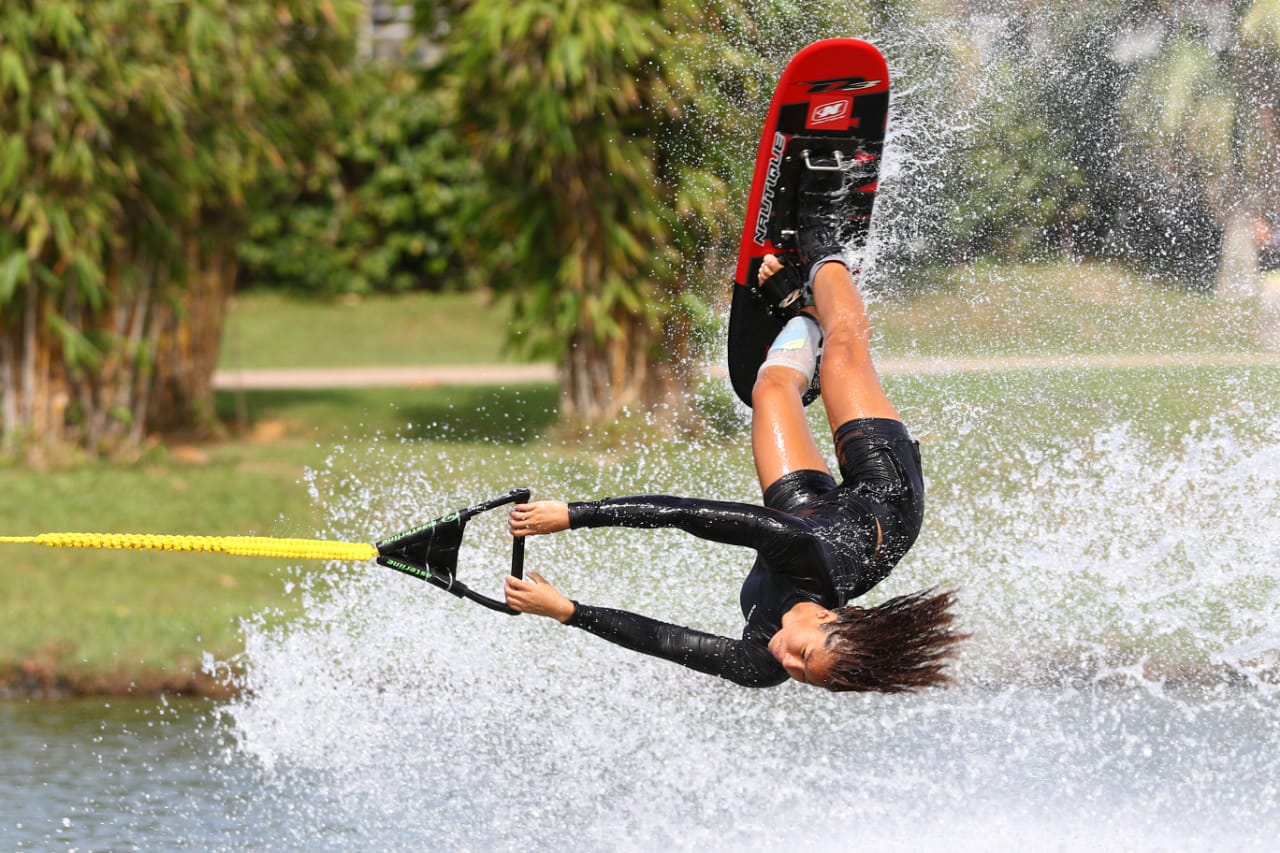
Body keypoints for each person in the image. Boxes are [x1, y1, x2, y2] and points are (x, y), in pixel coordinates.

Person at [503, 168, 966, 691]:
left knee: (769, 390)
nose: (787, 664)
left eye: (800, 674)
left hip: (809, 512)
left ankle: (801, 310)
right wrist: (573, 515)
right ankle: (822, 239)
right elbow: (684, 515)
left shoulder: (761, 664)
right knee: (845, 346)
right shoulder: (795, 548)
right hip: (883, 500)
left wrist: (567, 609)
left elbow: (667, 641)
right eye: (803, 656)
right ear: (829, 619)